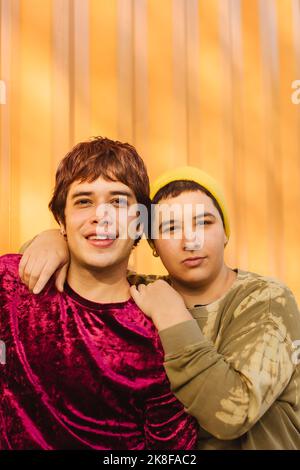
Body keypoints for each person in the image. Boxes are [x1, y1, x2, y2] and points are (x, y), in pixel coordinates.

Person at [19, 165, 300, 450]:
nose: (191, 241)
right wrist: (54, 240)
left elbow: (235, 412)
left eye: (204, 223)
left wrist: (172, 317)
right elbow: (77, 278)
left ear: (225, 233)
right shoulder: (143, 294)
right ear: (152, 243)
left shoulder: (267, 300)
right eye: (170, 228)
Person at [0, 139, 198, 450]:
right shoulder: (12, 283)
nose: (100, 216)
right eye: (83, 202)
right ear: (62, 221)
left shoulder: (161, 331)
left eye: (118, 202)